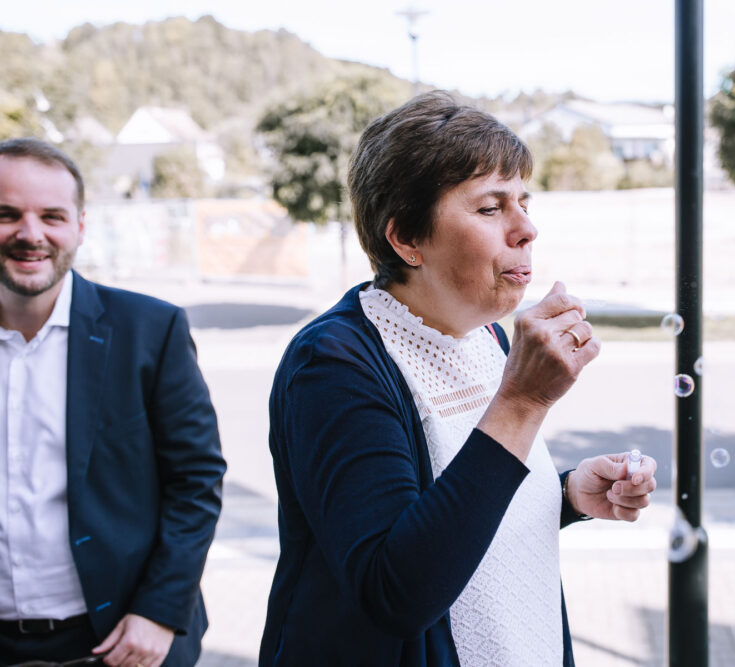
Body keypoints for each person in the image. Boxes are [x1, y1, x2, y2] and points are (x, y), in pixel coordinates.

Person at [259, 92, 658, 666]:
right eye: (491, 208)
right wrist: (522, 402)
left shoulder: (486, 334)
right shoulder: (333, 364)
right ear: (406, 238)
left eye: (523, 201)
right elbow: (395, 591)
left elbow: (462, 505)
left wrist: (567, 494)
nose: (526, 229)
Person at [0, 138, 226, 667]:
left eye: (51, 216)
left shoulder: (150, 330)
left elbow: (196, 481)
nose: (30, 234)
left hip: (121, 641)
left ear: (80, 226)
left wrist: (159, 611)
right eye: (6, 214)